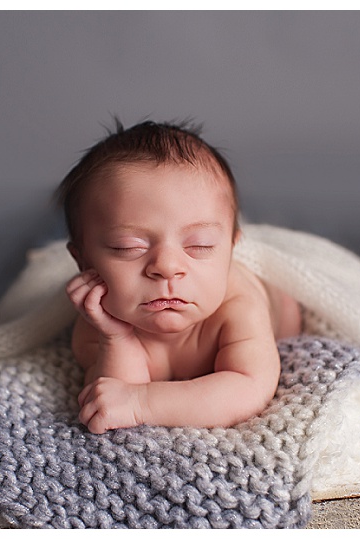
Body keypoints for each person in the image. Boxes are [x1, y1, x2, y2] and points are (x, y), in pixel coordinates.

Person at [56, 120, 302, 434]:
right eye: (128, 247)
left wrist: (142, 402)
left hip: (278, 305)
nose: (168, 267)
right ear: (82, 260)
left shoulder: (238, 307)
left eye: (200, 245)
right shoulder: (97, 323)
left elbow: (248, 389)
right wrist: (117, 337)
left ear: (229, 250)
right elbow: (113, 398)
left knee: (291, 311)